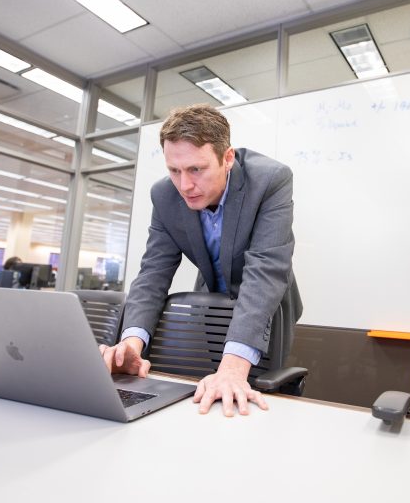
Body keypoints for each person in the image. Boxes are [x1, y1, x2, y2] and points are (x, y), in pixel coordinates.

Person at [100, 104, 302, 417]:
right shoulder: (164, 195)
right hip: (212, 302)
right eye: (174, 170)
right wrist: (131, 343)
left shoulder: (270, 180)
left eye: (196, 169)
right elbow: (153, 273)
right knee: (215, 388)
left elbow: (265, 271)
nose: (184, 185)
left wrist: (234, 367)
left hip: (267, 304)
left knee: (251, 386)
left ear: (228, 158)